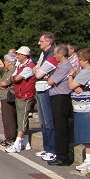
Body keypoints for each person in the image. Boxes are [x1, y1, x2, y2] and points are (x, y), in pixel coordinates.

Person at [5, 46, 36, 153]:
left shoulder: (29, 66)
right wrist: (14, 78)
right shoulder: (20, 65)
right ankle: (25, 142)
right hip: (19, 94)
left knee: (22, 119)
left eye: (18, 54)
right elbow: (13, 77)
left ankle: (18, 142)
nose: (17, 56)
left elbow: (16, 78)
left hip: (26, 95)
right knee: (21, 118)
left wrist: (14, 78)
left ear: (24, 56)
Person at [46, 45, 72, 165]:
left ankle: (63, 156)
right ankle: (59, 153)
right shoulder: (60, 66)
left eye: (56, 54)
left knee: (61, 127)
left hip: (61, 98)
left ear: (61, 54)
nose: (54, 56)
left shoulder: (65, 66)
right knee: (57, 126)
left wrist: (50, 79)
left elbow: (51, 81)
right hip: (56, 97)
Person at [33, 32, 57, 160]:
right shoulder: (43, 54)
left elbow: (37, 73)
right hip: (40, 87)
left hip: (47, 89)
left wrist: (39, 70)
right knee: (42, 121)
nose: (38, 43)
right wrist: (39, 70)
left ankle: (52, 149)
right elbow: (35, 69)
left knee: (49, 121)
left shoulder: (53, 54)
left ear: (48, 42)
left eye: (41, 41)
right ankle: (46, 147)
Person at [68, 48, 90, 172]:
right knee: (87, 136)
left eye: (81, 60)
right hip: (85, 107)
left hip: (85, 108)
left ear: (87, 61)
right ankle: (89, 160)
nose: (80, 62)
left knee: (87, 135)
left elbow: (71, 85)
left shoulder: (86, 71)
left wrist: (71, 75)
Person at [0, 53, 17, 147]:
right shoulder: (8, 71)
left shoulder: (13, 70)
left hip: (8, 96)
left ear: (10, 62)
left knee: (9, 118)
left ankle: (10, 138)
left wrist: (1, 84)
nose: (4, 62)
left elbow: (4, 83)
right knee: (5, 118)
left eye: (5, 61)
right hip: (4, 95)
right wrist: (0, 84)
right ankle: (8, 136)